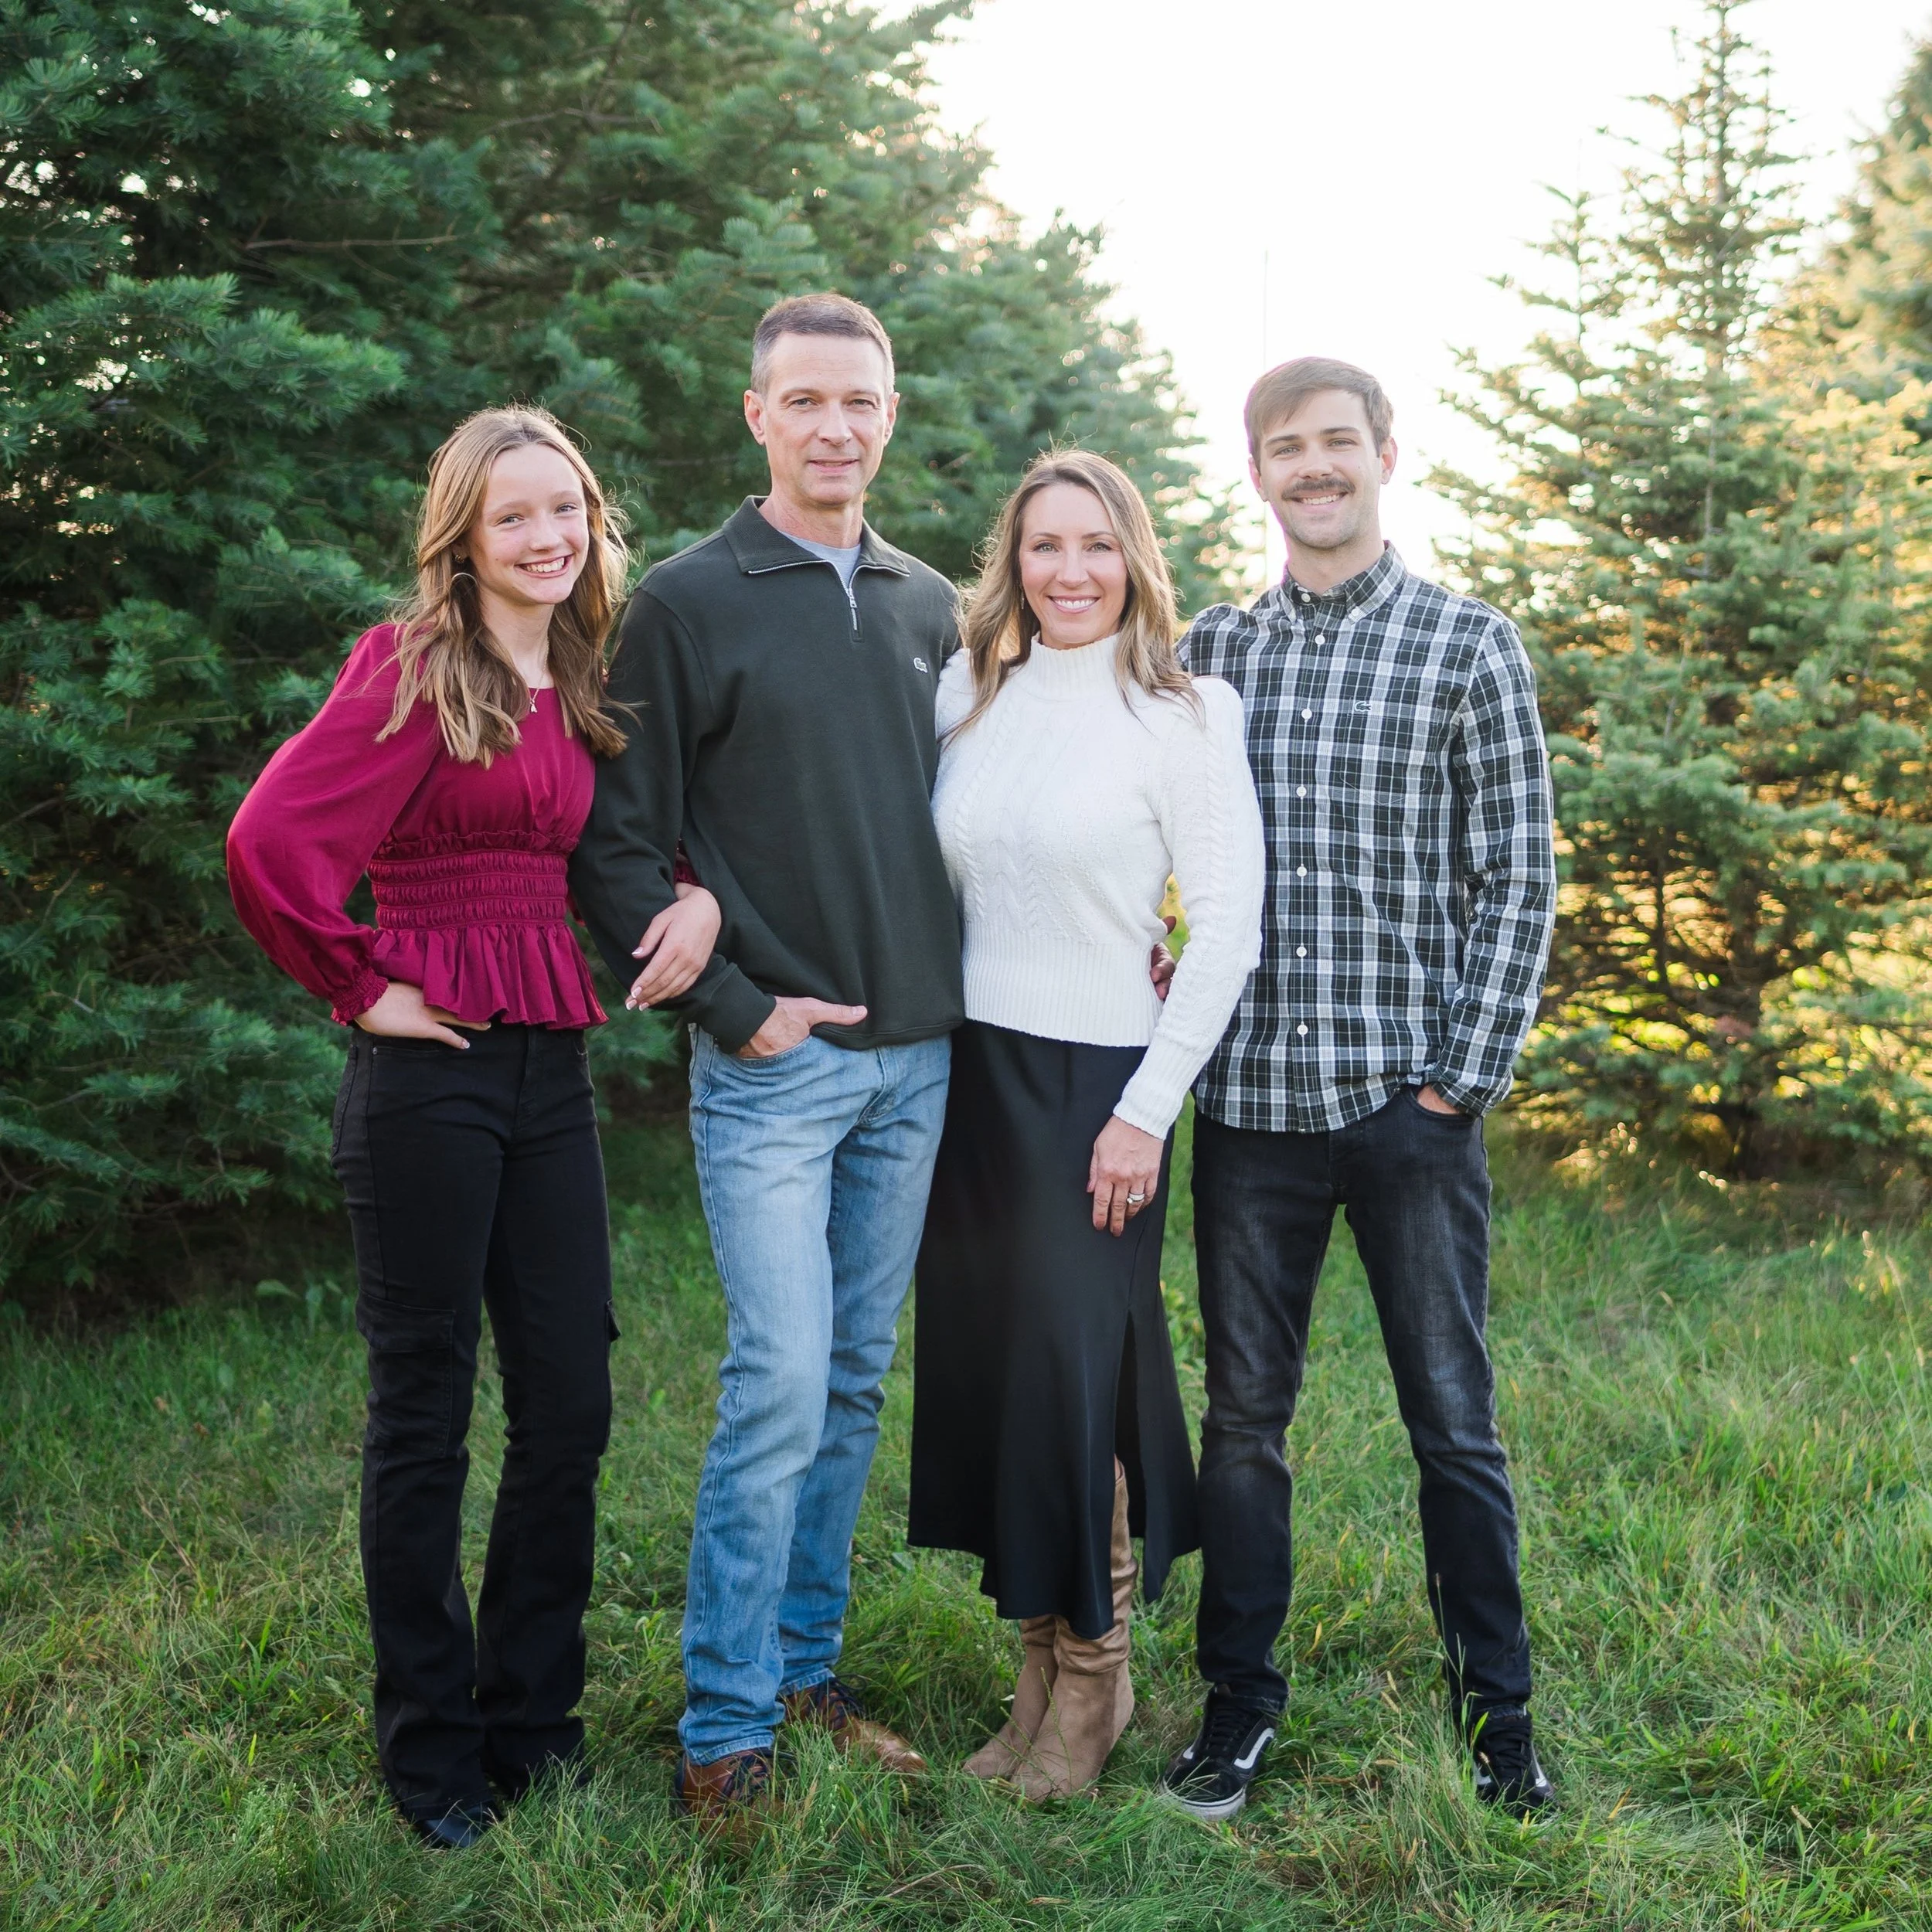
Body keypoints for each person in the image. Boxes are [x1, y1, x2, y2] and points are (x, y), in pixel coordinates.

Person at [226, 408, 722, 1849]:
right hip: (428, 1075)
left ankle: (532, 1720)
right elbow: (269, 843)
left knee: (569, 1398)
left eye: (565, 509)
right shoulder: (412, 666)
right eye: (515, 516)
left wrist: (691, 895)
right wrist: (359, 983)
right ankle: (434, 1751)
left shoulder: (576, 674)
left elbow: (631, 837)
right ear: (464, 535)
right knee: (426, 1414)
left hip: (546, 1067)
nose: (548, 536)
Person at [568, 294, 963, 1817]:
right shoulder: (683, 599)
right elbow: (618, 843)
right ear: (757, 417)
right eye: (803, 401)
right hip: (776, 1065)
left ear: (887, 410)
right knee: (778, 1378)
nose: (833, 427)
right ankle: (721, 1725)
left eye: (857, 401)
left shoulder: (933, 602)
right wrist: (736, 1005)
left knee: (853, 1379)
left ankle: (806, 1667)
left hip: (917, 1060)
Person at [1158, 358, 1559, 1823]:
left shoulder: (1470, 647)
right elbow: (1158, 862)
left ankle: (1500, 1722)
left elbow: (1519, 876)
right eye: (1286, 449)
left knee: (1451, 1417)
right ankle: (1235, 1715)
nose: (1314, 469)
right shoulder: (1207, 655)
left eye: (1338, 443)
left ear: (1387, 455)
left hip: (1408, 1105)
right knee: (1243, 1426)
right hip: (1252, 1105)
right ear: (1255, 472)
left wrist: (1461, 1079)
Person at [908, 451, 1264, 1799]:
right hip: (977, 1078)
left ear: (1135, 561)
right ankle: (1040, 1670)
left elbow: (1224, 928)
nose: (1070, 572)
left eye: (1096, 547)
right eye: (1046, 546)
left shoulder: (1184, 711)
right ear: (1015, 561)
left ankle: (1098, 1681)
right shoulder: (970, 695)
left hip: (1099, 1086)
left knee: (1076, 1381)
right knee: (1009, 1376)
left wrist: (1144, 1112)